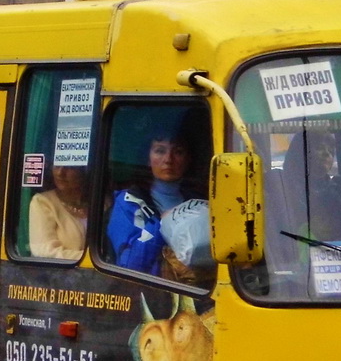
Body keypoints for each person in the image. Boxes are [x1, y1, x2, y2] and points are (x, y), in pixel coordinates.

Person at [106, 118, 212, 284]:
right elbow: (130, 267)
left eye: (178, 151)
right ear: (147, 159)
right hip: (154, 298)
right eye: (160, 151)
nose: (168, 159)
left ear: (188, 159)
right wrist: (162, 224)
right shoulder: (128, 203)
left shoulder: (199, 204)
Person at [29, 164, 88, 259]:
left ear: (84, 170)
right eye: (56, 166)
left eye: (69, 167)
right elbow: (44, 252)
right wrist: (92, 259)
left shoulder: (103, 202)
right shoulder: (43, 202)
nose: (60, 173)